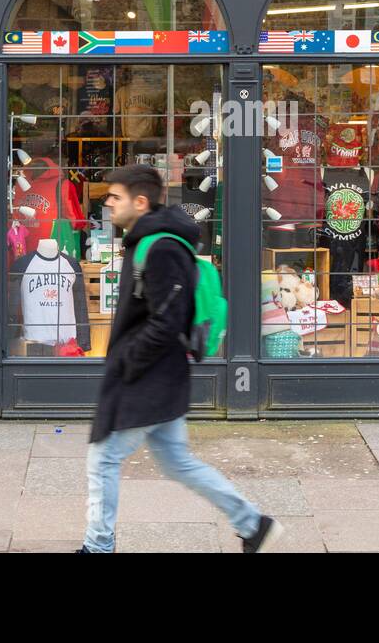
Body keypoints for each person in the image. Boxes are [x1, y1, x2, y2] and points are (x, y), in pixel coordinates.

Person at [78, 164, 282, 554]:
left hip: (149, 379)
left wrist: (127, 361)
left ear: (140, 201)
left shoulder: (162, 248)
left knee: (103, 458)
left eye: (115, 196)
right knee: (177, 462)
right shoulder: (145, 241)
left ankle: (98, 545)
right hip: (162, 376)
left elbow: (167, 321)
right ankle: (252, 525)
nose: (108, 203)